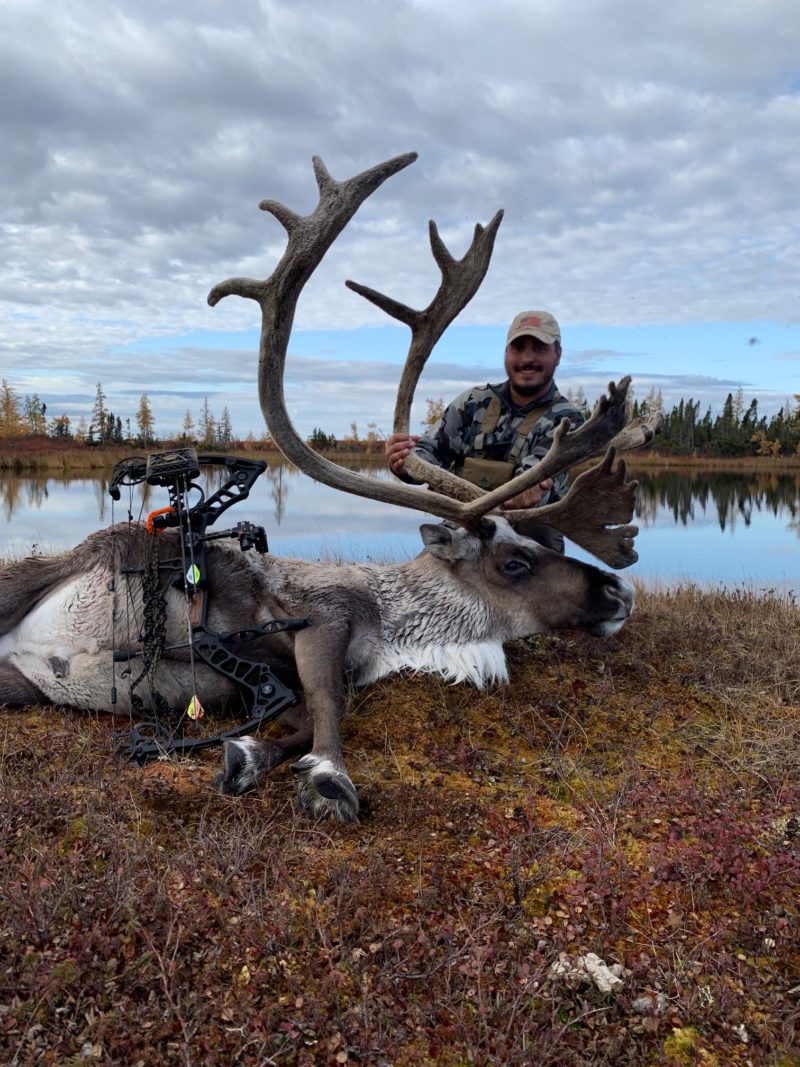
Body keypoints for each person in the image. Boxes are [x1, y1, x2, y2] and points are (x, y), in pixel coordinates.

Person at [384, 310, 585, 553]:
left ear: (558, 354)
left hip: (529, 540)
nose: (527, 359)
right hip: (463, 527)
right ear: (506, 353)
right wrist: (405, 462)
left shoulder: (568, 419)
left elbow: (538, 482)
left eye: (540, 348)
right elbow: (429, 451)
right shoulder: (473, 402)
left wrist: (530, 491)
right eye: (518, 347)